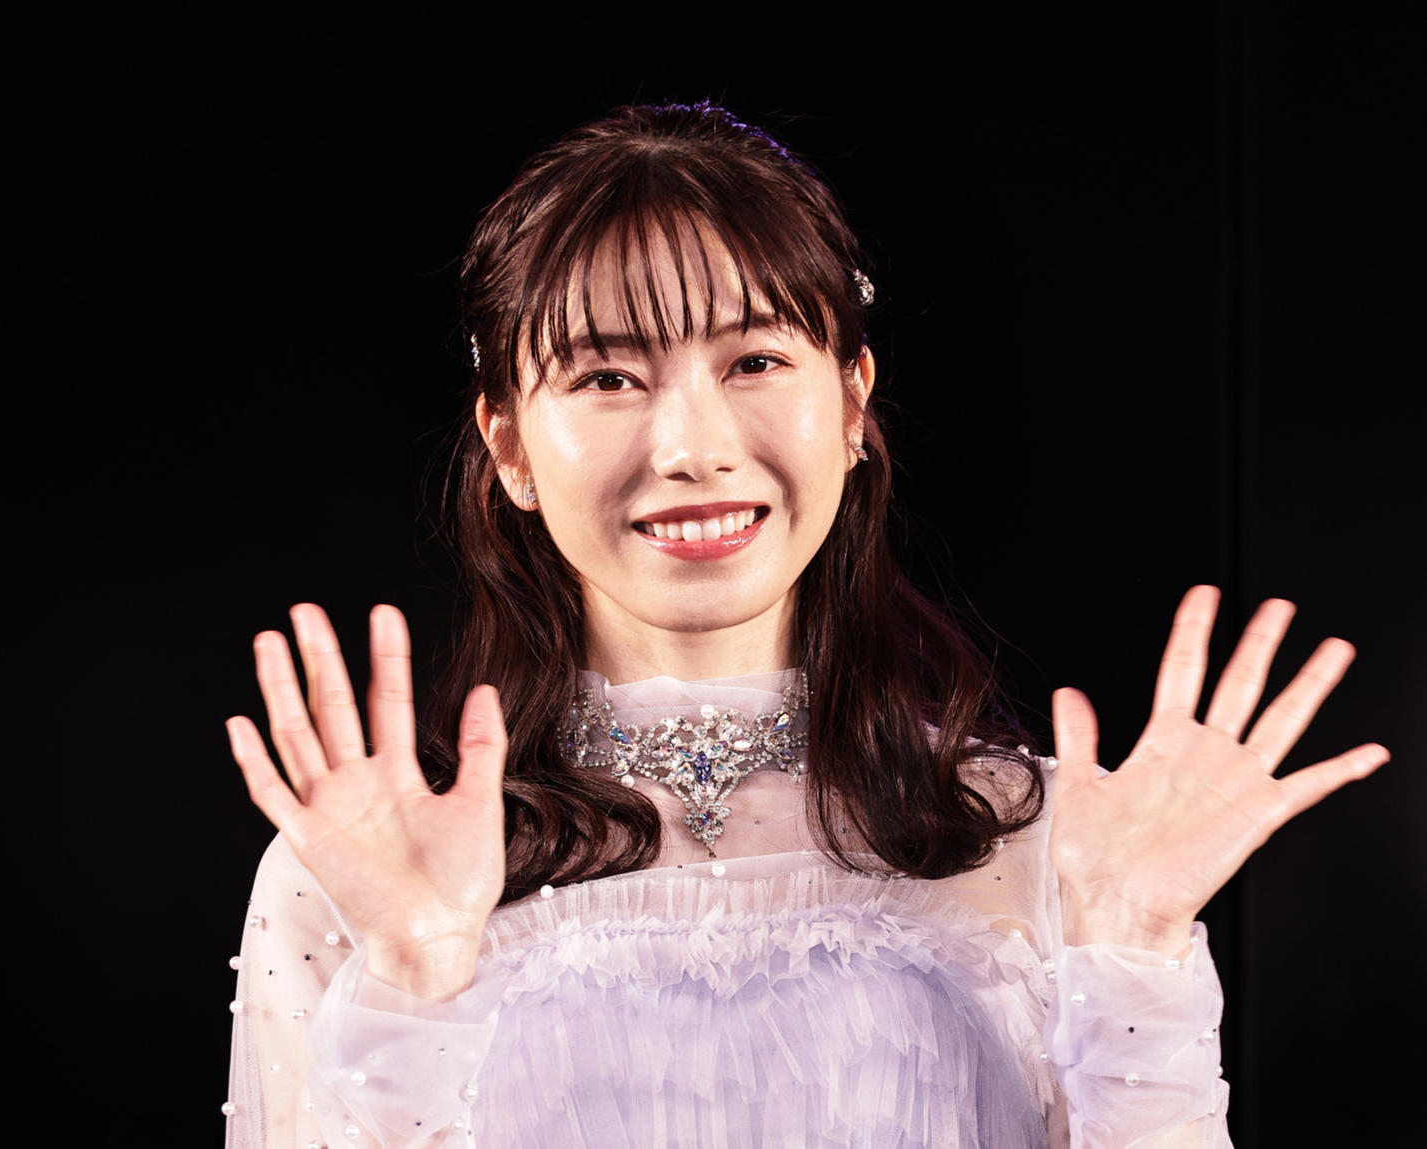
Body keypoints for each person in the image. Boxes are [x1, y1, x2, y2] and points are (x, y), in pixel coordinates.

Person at [220, 102, 1387, 1148]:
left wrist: (1131, 945)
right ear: (510, 445)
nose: (693, 448)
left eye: (756, 359)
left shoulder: (1043, 842)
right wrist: (416, 976)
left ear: (854, 405)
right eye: (607, 378)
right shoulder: (370, 864)